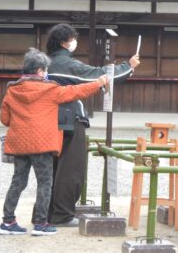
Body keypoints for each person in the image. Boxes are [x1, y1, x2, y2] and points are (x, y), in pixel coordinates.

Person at [0, 48, 108, 236]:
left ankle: (7, 221)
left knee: (18, 182)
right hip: (42, 145)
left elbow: (5, 119)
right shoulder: (50, 90)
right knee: (44, 183)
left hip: (19, 145)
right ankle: (41, 224)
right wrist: (98, 83)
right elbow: (76, 91)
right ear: (40, 71)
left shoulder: (12, 90)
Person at [45, 23, 139, 226]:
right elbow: (97, 75)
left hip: (47, 119)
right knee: (70, 168)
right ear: (64, 42)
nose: (74, 43)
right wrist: (128, 66)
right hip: (68, 119)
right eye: (72, 39)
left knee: (50, 168)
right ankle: (61, 214)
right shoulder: (64, 63)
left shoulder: (47, 62)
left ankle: (46, 213)